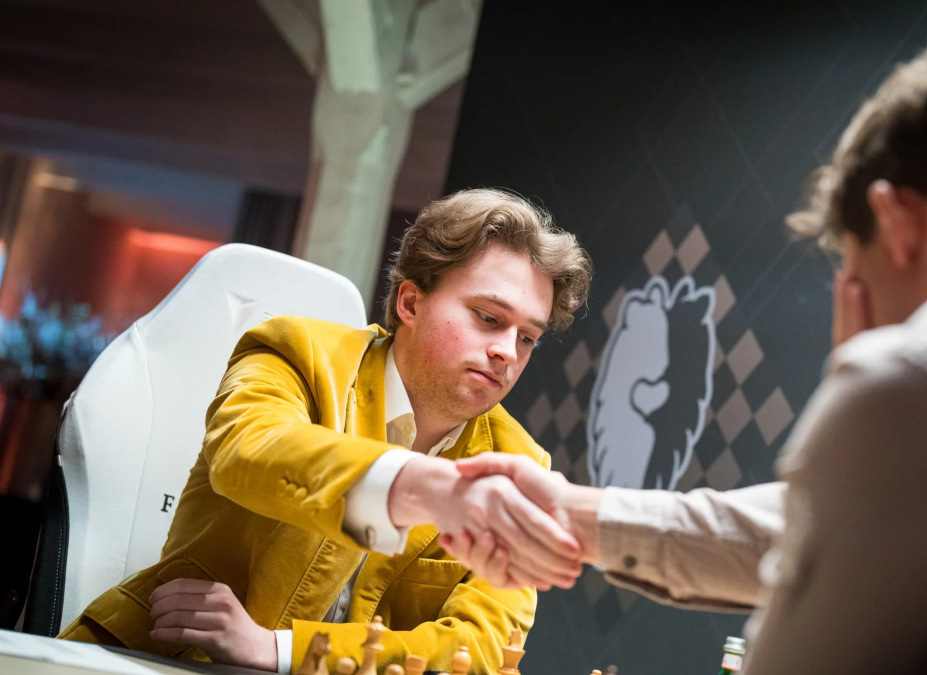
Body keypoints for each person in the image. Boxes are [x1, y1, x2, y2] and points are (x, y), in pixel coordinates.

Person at [443, 13, 927, 674]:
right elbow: (839, 525)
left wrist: (862, 378)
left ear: (896, 220)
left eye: (851, 260)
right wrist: (582, 516)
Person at [58, 189, 593, 673]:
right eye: (487, 317)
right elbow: (248, 451)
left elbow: (478, 649)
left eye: (527, 338)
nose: (506, 351)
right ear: (410, 302)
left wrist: (282, 651)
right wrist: (420, 486)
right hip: (156, 662)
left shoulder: (522, 464)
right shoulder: (294, 351)